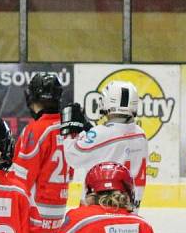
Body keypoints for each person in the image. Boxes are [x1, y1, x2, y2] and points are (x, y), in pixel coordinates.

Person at [10, 72, 71, 233]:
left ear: (32, 98)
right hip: (59, 204)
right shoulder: (68, 128)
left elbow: (21, 176)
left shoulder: (35, 130)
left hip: (37, 206)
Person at [62, 80, 148, 209]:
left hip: (100, 208)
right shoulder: (141, 134)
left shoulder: (100, 134)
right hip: (130, 208)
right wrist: (88, 129)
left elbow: (72, 157)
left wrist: (70, 130)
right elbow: (110, 142)